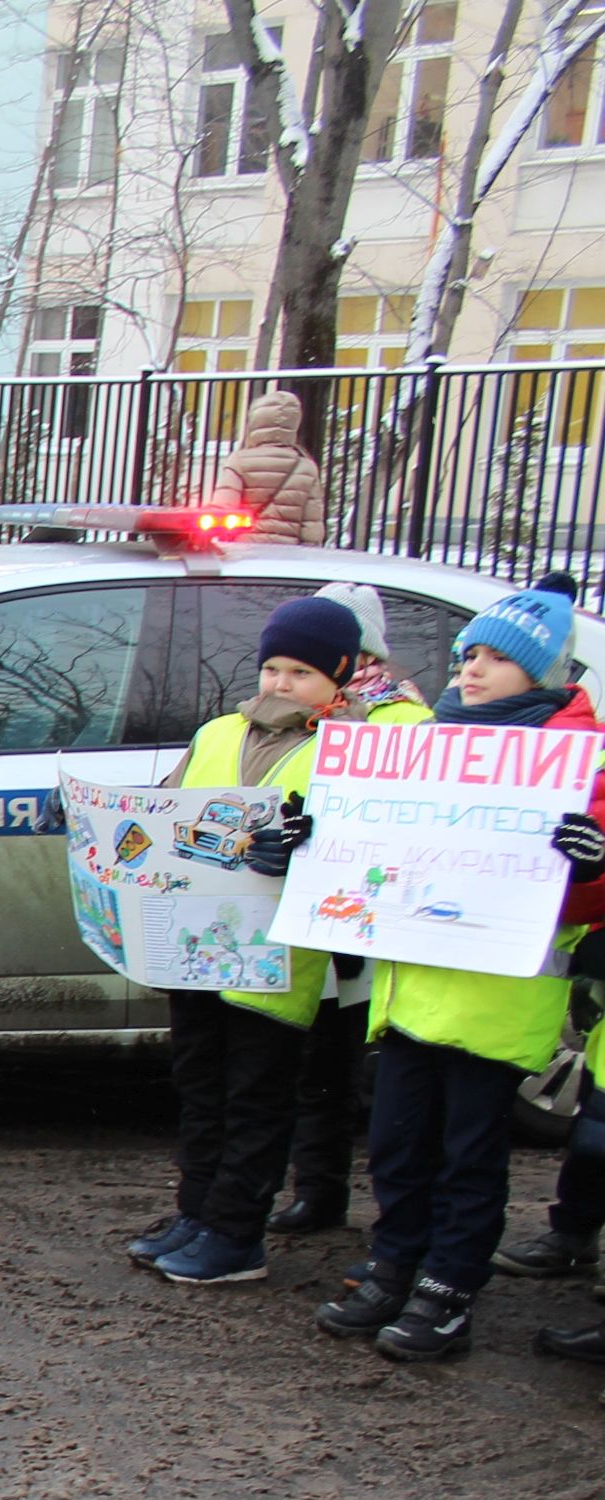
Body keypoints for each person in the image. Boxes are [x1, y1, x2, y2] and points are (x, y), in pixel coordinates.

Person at [303, 577, 605, 1357]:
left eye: (493, 659)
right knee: (400, 1146)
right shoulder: (426, 747)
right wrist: (315, 842)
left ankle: (448, 1289)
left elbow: (585, 900)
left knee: (467, 1159)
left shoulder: (579, 763)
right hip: (411, 995)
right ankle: (395, 1262)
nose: (468, 670)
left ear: (543, 674)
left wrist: (592, 866)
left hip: (495, 1005)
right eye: (466, 654)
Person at [127, 595, 372, 1285]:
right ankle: (197, 1211)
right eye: (271, 667)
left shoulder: (348, 753)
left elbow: (360, 857)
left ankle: (237, 1233)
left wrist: (305, 850)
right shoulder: (215, 734)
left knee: (255, 1097)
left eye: (300, 671)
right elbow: (167, 811)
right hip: (195, 948)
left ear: (339, 676)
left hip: (275, 963)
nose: (280, 683)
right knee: (199, 1087)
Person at [272, 583, 417, 1235]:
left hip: (357, 917)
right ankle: (316, 1188)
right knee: (309, 1064)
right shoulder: (300, 709)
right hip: (300, 910)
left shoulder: (400, 722)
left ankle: (330, 1193)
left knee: (335, 1064)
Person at [208, 388, 328, 546]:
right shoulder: (306, 467)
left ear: (256, 422)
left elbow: (222, 511)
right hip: (285, 556)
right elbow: (311, 527)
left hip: (243, 552)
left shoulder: (239, 461)